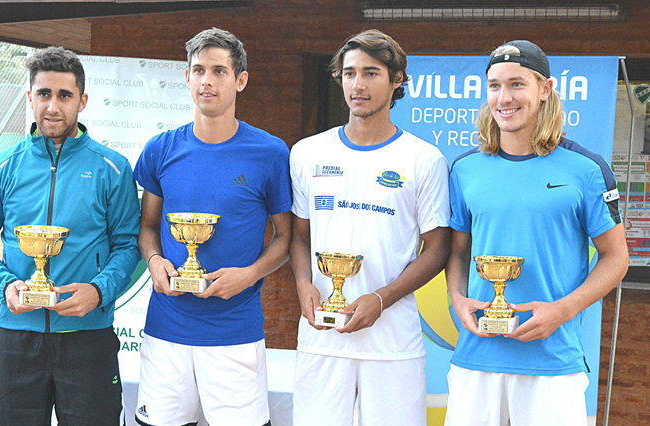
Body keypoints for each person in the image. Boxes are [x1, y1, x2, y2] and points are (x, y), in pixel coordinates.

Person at [445, 40, 629, 426]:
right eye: (494, 86)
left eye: (516, 84)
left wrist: (562, 311)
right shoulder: (465, 169)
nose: (504, 97)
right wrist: (457, 298)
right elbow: (458, 252)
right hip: (477, 356)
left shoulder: (586, 169)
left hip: (553, 361)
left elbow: (616, 258)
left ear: (545, 90)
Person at [0, 46, 141, 425]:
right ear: (30, 97)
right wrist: (5, 286)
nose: (53, 107)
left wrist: (99, 291)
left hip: (87, 334)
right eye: (44, 94)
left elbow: (128, 245)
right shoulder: (0, 168)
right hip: (17, 336)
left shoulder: (113, 168)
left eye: (64, 95)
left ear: (83, 100)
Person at [289, 29, 451, 426]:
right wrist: (303, 284)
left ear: (397, 80)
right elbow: (299, 236)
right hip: (322, 337)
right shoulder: (307, 152)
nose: (357, 85)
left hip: (393, 341)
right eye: (349, 74)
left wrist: (382, 298)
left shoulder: (423, 159)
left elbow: (438, 248)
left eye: (371, 73)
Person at [132, 28, 292, 426]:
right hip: (166, 328)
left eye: (219, 71)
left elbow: (286, 238)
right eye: (198, 70)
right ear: (187, 77)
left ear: (240, 80)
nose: (207, 81)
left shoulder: (270, 153)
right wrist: (153, 261)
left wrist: (250, 274)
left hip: (234, 330)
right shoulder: (161, 149)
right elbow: (147, 226)